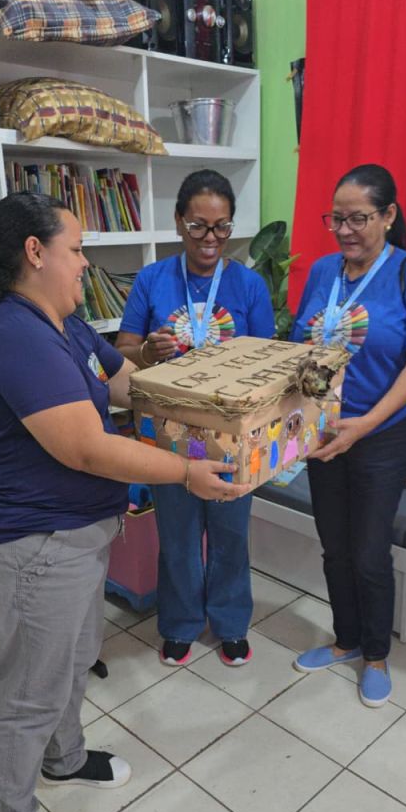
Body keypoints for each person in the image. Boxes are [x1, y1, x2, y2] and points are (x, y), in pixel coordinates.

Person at [0, 191, 249, 812]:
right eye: (78, 250)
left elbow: (129, 385)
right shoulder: (15, 335)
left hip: (76, 538)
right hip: (30, 545)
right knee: (29, 691)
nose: (86, 264)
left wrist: (214, 400)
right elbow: (86, 448)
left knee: (73, 659)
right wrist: (186, 471)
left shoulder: (65, 325)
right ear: (35, 253)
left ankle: (64, 758)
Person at [290, 164, 406, 707]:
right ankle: (347, 640)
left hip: (380, 437)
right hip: (324, 435)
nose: (345, 230)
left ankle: (376, 654)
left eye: (358, 218)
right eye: (336, 219)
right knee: (334, 548)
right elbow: (301, 350)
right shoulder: (323, 271)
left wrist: (366, 424)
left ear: (388, 215)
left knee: (369, 553)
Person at [116, 170, 275, 667]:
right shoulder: (152, 279)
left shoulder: (249, 285)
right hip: (167, 434)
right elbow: (122, 351)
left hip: (232, 438)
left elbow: (271, 361)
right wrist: (148, 351)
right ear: (178, 221)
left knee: (231, 535)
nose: (210, 238)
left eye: (222, 227)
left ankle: (230, 624)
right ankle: (181, 623)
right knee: (178, 536)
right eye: (198, 226)